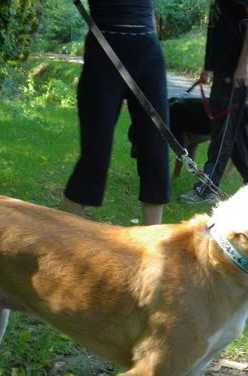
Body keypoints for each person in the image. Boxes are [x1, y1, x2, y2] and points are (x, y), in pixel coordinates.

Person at [62, 0, 170, 225]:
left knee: (156, 149)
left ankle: (155, 241)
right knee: (95, 151)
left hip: (148, 52)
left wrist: (150, 41)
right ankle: (60, 235)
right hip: (104, 52)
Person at [179, 0, 248, 204]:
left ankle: (208, 188)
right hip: (225, 63)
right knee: (231, 129)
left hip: (238, 65)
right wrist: (208, 66)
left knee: (224, 128)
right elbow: (216, 25)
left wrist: (243, 65)